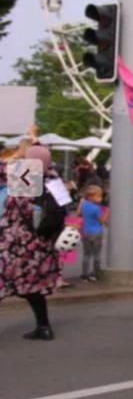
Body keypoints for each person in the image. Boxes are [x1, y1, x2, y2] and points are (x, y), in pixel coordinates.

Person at [0, 143, 67, 341]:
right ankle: (43, 327)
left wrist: (20, 152)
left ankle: (43, 327)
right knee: (34, 288)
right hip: (42, 245)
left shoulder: (25, 176)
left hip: (15, 244)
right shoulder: (54, 179)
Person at [78, 184, 106, 282]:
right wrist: (107, 214)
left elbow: (78, 214)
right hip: (96, 233)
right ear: (91, 197)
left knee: (86, 255)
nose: (101, 198)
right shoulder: (96, 208)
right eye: (98, 196)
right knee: (96, 254)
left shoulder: (84, 205)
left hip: (85, 232)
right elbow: (101, 221)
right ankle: (96, 273)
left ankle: (84, 274)